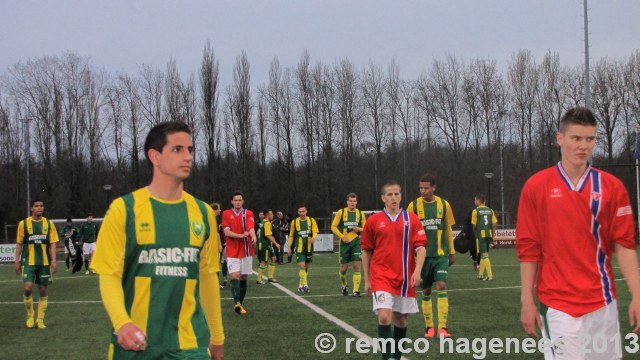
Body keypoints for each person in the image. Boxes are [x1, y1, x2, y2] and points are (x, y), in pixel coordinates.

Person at [91, 121, 224, 359]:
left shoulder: (203, 213)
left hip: (189, 346)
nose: (187, 157)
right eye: (177, 149)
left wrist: (217, 337)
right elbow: (109, 273)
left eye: (190, 149)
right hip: (134, 345)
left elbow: (207, 276)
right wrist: (122, 323)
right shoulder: (124, 209)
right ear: (155, 156)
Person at [517, 106, 640, 359]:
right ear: (560, 138)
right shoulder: (536, 187)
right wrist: (527, 301)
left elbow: (625, 246)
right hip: (558, 307)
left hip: (603, 303)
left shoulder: (611, 187)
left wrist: (638, 296)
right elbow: (529, 250)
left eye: (590, 139)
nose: (583, 146)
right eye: (576, 138)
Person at [361, 181, 426, 360]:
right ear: (383, 198)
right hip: (381, 276)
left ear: (401, 196)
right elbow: (366, 251)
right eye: (389, 194)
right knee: (384, 317)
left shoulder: (411, 219)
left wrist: (417, 271)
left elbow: (421, 248)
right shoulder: (373, 221)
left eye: (396, 194)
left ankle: (395, 357)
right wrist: (367, 280)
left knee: (401, 320)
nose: (394, 198)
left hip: (405, 278)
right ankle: (387, 357)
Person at [407, 174, 455, 338]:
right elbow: (408, 232)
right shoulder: (413, 206)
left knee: (441, 284)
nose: (423, 191)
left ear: (434, 188)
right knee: (426, 290)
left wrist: (452, 251)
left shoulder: (444, 204)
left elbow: (448, 228)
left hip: (441, 255)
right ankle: (429, 327)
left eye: (426, 188)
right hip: (422, 257)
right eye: (421, 188)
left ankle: (443, 327)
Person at [14, 199, 59, 329]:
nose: (39, 208)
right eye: (36, 206)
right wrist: (16, 261)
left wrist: (54, 260)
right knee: (28, 287)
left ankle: (40, 320)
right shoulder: (24, 224)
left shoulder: (49, 224)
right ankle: (30, 315)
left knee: (43, 289)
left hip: (44, 262)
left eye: (41, 206)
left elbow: (52, 244)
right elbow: (19, 244)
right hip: (28, 261)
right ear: (32, 208)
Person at [221, 191, 257, 315]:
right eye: (235, 200)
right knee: (235, 276)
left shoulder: (248, 213)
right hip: (232, 250)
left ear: (243, 201)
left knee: (244, 277)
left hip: (246, 250)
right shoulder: (226, 213)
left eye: (240, 200)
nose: (238, 202)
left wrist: (253, 236)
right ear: (232, 202)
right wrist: (241, 236)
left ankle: (240, 304)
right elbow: (226, 232)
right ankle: (236, 302)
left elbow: (251, 227)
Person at [331, 193, 366, 297]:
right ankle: (344, 284)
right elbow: (333, 227)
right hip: (344, 244)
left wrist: (359, 229)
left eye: (354, 201)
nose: (352, 203)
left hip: (356, 243)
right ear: (347, 202)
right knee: (343, 268)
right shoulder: (341, 212)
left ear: (356, 202)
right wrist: (342, 236)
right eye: (350, 201)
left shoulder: (360, 214)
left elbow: (367, 228)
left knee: (356, 266)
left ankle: (356, 291)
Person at [288, 205, 318, 293]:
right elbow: (291, 235)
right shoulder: (294, 222)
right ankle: (305, 285)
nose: (301, 213)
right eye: (300, 212)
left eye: (303, 211)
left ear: (306, 212)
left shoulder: (311, 220)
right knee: (302, 266)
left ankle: (300, 285)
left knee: (306, 268)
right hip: (299, 248)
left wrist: (314, 237)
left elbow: (315, 231)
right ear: (298, 213)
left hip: (308, 248)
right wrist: (289, 247)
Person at [471, 194, 497, 281]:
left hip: (480, 235)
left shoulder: (476, 211)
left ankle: (490, 275)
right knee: (483, 254)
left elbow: (474, 225)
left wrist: (474, 232)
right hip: (488, 234)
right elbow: (494, 224)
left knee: (484, 255)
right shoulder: (490, 210)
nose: (474, 202)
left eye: (475, 200)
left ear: (479, 201)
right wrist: (492, 236)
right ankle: (481, 275)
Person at [256, 209, 280, 284]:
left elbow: (258, 233)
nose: (272, 215)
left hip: (267, 245)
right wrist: (276, 243)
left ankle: (270, 277)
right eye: (271, 214)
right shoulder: (267, 223)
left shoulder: (262, 223)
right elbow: (268, 235)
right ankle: (259, 280)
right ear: (267, 215)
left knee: (273, 259)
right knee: (264, 262)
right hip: (265, 245)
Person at [211, 203, 228, 288]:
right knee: (215, 264)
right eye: (219, 209)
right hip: (213, 246)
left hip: (211, 246)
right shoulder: (212, 219)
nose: (220, 210)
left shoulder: (211, 218)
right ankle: (215, 283)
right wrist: (219, 245)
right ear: (214, 210)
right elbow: (216, 233)